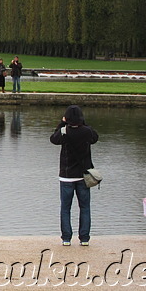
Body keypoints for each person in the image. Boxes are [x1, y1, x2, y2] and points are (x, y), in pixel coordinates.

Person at [50, 105, 99, 246]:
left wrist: (62, 123)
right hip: (83, 176)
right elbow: (95, 137)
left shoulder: (64, 131)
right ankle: (84, 238)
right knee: (85, 207)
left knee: (65, 208)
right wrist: (84, 123)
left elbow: (53, 139)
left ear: (67, 118)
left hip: (66, 176)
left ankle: (66, 238)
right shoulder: (87, 131)